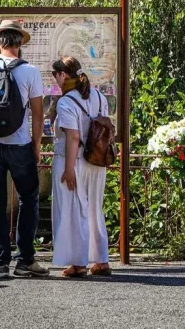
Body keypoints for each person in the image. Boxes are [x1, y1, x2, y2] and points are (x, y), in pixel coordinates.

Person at [0, 19, 49, 280]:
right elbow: (38, 115)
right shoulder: (30, 71)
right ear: (19, 43)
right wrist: (37, 146)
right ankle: (25, 261)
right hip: (19, 145)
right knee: (28, 198)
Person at [50, 56, 111, 278]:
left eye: (55, 75)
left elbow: (73, 136)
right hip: (97, 160)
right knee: (94, 208)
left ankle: (78, 263)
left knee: (74, 210)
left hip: (74, 160)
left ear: (63, 75)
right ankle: (101, 260)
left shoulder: (66, 102)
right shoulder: (99, 96)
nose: (55, 80)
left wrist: (68, 169)